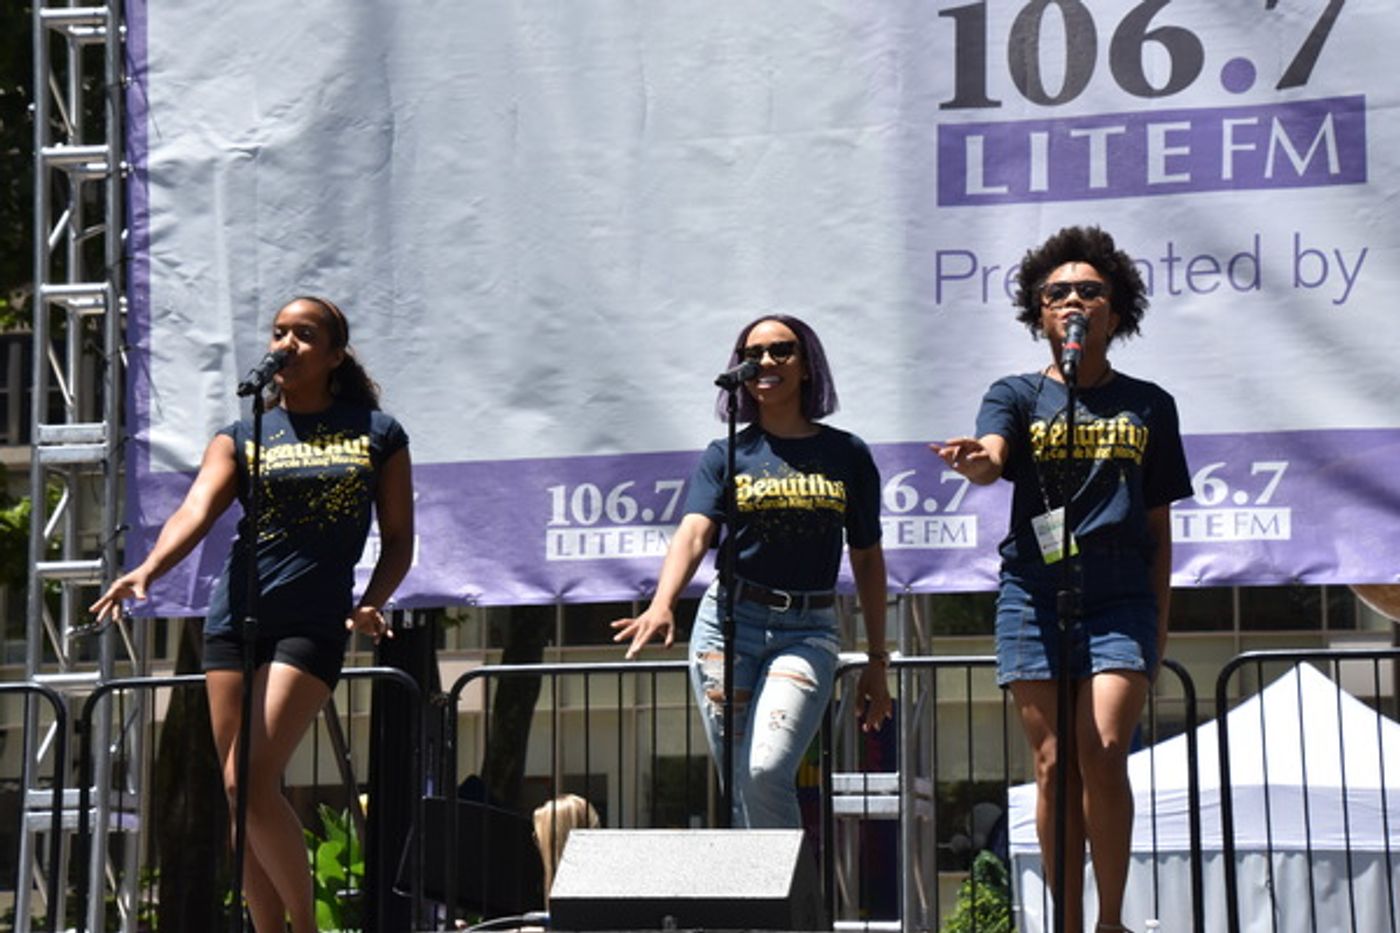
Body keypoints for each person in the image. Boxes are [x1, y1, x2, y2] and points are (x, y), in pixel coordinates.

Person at [90, 296, 414, 933]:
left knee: (249, 776)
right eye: (279, 332)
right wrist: (149, 568)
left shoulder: (376, 433)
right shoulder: (242, 435)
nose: (286, 342)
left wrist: (372, 599)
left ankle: (307, 925)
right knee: (241, 795)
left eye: (304, 333)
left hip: (312, 624)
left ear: (334, 355)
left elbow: (400, 536)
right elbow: (196, 509)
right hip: (234, 617)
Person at [934, 226, 1192, 933]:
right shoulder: (1016, 393)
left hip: (1120, 592)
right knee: (1052, 763)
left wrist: (1158, 622)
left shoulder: (1149, 404)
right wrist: (974, 460)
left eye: (1089, 290)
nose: (1073, 301)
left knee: (1103, 749)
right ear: (1038, 312)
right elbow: (992, 455)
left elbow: (1160, 525)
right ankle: (1066, 922)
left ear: (1115, 310)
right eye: (1057, 293)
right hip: (1033, 590)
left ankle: (1111, 919)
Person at [612, 314, 892, 829]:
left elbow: (869, 557)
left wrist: (877, 659)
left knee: (765, 770)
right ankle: (763, 908)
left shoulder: (845, 453)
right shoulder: (727, 452)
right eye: (753, 352)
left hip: (808, 629)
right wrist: (661, 602)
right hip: (727, 625)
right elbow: (695, 533)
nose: (765, 362)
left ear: (807, 366)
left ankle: (789, 908)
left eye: (781, 350)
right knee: (738, 783)